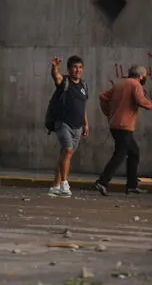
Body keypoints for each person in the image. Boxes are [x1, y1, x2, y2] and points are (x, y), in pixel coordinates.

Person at [93, 65, 152, 196]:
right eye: (145, 75)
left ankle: (132, 185)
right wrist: (151, 105)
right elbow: (140, 100)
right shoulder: (136, 85)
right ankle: (102, 181)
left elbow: (103, 97)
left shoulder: (120, 84)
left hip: (115, 124)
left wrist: (108, 112)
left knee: (134, 153)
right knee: (120, 154)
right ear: (141, 75)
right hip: (124, 126)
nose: (145, 78)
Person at [48, 55, 89, 197]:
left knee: (65, 155)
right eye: (74, 67)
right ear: (69, 69)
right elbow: (56, 77)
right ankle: (65, 183)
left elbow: (83, 107)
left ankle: (55, 186)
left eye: (80, 67)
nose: (77, 70)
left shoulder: (84, 86)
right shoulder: (64, 81)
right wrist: (54, 67)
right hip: (63, 123)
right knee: (68, 149)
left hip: (77, 126)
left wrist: (86, 124)